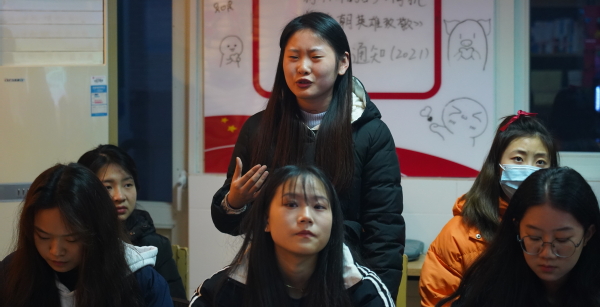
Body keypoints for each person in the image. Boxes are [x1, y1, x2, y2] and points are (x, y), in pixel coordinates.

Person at [211, 12, 404, 297]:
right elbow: (230, 224)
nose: (302, 67)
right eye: (293, 57)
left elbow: (384, 231)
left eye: (315, 57)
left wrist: (375, 297)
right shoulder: (258, 129)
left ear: (343, 63)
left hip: (342, 283)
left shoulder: (371, 133)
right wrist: (234, 203)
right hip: (270, 283)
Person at [193, 165, 395, 307]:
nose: (306, 216)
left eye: (319, 206)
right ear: (266, 220)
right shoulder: (222, 292)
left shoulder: (364, 292)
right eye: (291, 204)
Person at [419, 111, 559, 307]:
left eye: (540, 162)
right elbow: (439, 300)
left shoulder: (562, 230)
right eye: (518, 159)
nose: (529, 169)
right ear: (496, 165)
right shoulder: (456, 236)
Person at [0, 163, 173, 307]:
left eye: (72, 239)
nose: (56, 251)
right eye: (43, 237)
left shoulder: (141, 281)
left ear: (99, 232)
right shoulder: (13, 273)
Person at [437, 167, 600, 306]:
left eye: (562, 239)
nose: (547, 254)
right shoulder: (490, 286)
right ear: (517, 229)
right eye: (534, 237)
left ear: (587, 234)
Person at [78, 144, 187, 300]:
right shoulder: (76, 242)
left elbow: (176, 301)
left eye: (128, 185)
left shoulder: (155, 246)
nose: (120, 196)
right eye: (107, 187)